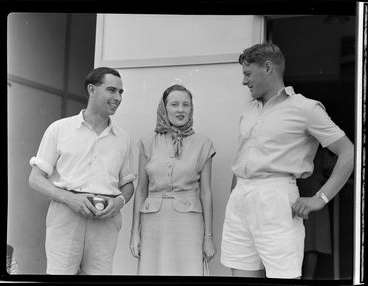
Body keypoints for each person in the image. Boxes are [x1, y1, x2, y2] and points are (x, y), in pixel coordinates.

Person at [220, 42, 354, 279]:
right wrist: (235, 196)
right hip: (240, 200)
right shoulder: (249, 110)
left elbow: (348, 152)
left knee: (283, 277)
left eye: (248, 74)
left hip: (276, 197)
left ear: (268, 68)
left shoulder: (305, 108)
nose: (244, 81)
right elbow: (243, 157)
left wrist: (320, 198)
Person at [28, 67, 135, 275]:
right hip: (66, 216)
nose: (118, 98)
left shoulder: (124, 139)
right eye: (112, 90)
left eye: (121, 92)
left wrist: (119, 202)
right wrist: (69, 199)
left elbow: (127, 184)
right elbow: (35, 179)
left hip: (105, 220)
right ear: (92, 89)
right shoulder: (59, 129)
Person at [130, 84, 216, 275]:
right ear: (164, 107)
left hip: (189, 222)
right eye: (174, 104)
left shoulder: (204, 143)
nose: (180, 110)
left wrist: (208, 237)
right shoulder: (147, 142)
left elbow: (206, 192)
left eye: (186, 105)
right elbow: (141, 190)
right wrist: (134, 233)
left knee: (188, 272)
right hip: (153, 222)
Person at [298, 147, 337, 279]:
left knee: (308, 242)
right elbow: (332, 167)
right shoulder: (319, 146)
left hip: (298, 193)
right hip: (314, 195)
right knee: (312, 244)